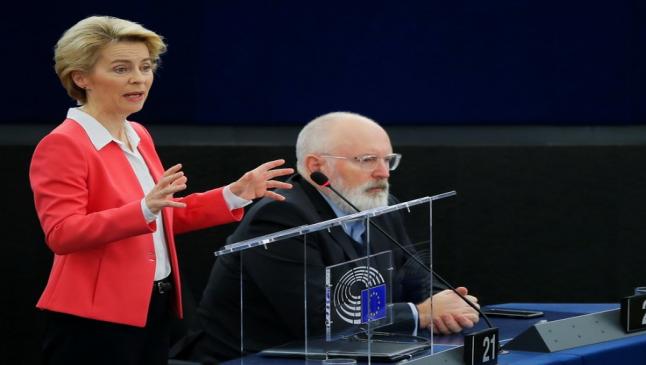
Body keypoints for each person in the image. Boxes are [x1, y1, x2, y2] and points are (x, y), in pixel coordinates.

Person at [29, 16, 293, 365]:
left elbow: (161, 216)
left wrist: (233, 193)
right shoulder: (63, 144)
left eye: (146, 66)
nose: (139, 78)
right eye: (121, 69)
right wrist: (143, 209)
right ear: (81, 78)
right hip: (95, 318)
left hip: (153, 306)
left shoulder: (138, 134)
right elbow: (62, 234)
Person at [181, 112, 479, 362]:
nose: (383, 172)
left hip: (342, 353)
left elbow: (414, 274)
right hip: (253, 358)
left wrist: (445, 300)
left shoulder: (380, 207)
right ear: (316, 167)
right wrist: (419, 314)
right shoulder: (280, 217)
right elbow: (316, 318)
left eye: (388, 160)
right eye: (367, 160)